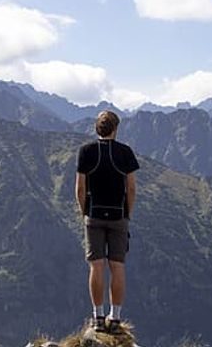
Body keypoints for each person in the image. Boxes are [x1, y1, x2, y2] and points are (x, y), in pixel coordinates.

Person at [76, 110, 139, 333]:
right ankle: (115, 318)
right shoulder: (125, 153)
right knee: (117, 266)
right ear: (115, 129)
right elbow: (131, 188)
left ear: (97, 128)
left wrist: (84, 212)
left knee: (96, 266)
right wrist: (127, 213)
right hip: (118, 216)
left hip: (93, 214)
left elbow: (80, 188)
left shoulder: (86, 151)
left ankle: (97, 317)